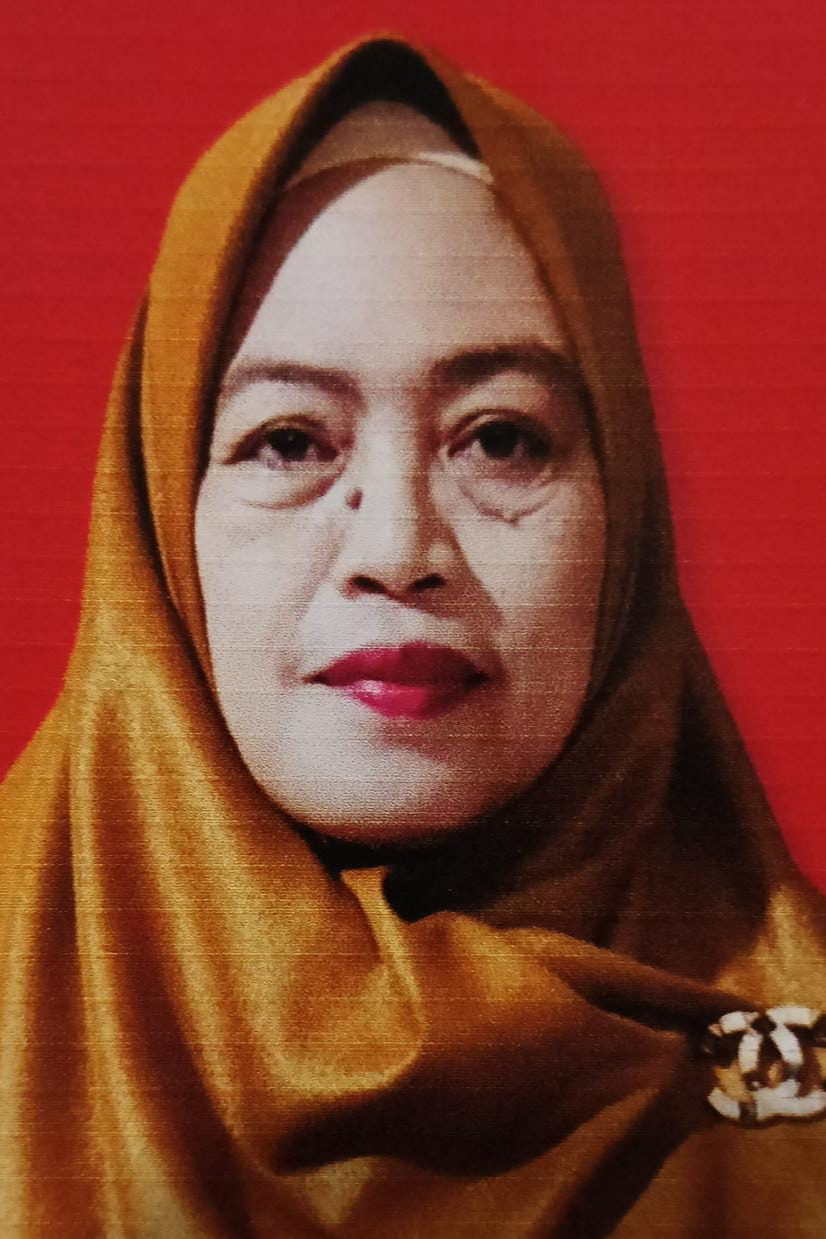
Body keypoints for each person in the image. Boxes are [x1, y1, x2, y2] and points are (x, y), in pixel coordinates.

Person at [1, 32, 825, 1238]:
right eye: (289, 442)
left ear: (626, 518)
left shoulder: (797, 1083)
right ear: (160, 527)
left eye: (501, 438)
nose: (397, 548)